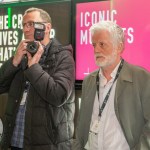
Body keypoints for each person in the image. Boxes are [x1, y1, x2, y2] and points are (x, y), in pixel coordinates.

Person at [0, 7, 75, 150]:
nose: (26, 29)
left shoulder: (63, 56)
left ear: (46, 28)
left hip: (47, 144)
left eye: (31, 24)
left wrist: (33, 67)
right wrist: (14, 62)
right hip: (14, 140)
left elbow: (58, 95)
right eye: (24, 25)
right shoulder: (21, 56)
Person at [72, 21, 150, 150]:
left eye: (102, 44)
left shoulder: (142, 78)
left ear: (119, 47)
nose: (96, 50)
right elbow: (81, 124)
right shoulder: (89, 80)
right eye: (94, 45)